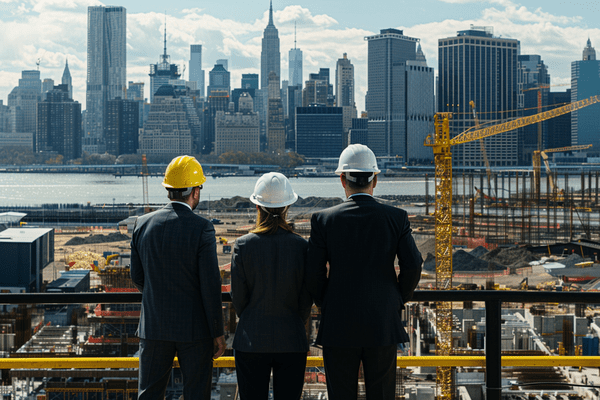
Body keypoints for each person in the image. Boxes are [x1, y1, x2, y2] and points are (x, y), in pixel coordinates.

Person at [306, 144, 423, 400]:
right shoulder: (396, 217)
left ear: (342, 179)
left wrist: (326, 301)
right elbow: (413, 265)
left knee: (341, 393)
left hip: (338, 322)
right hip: (381, 321)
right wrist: (396, 298)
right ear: (375, 180)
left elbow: (313, 272)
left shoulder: (323, 219)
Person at [130, 155, 226, 400]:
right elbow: (210, 285)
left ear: (169, 190)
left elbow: (138, 277)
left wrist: (159, 296)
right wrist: (218, 332)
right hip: (195, 330)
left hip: (153, 327)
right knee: (196, 394)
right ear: (195, 191)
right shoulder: (202, 228)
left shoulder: (141, 224)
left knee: (149, 394)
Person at [231, 172, 312, 400]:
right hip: (291, 339)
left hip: (251, 339)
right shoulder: (301, 247)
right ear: (287, 209)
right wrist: (296, 320)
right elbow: (306, 297)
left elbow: (238, 297)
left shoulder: (243, 245)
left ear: (257, 207)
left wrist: (251, 316)